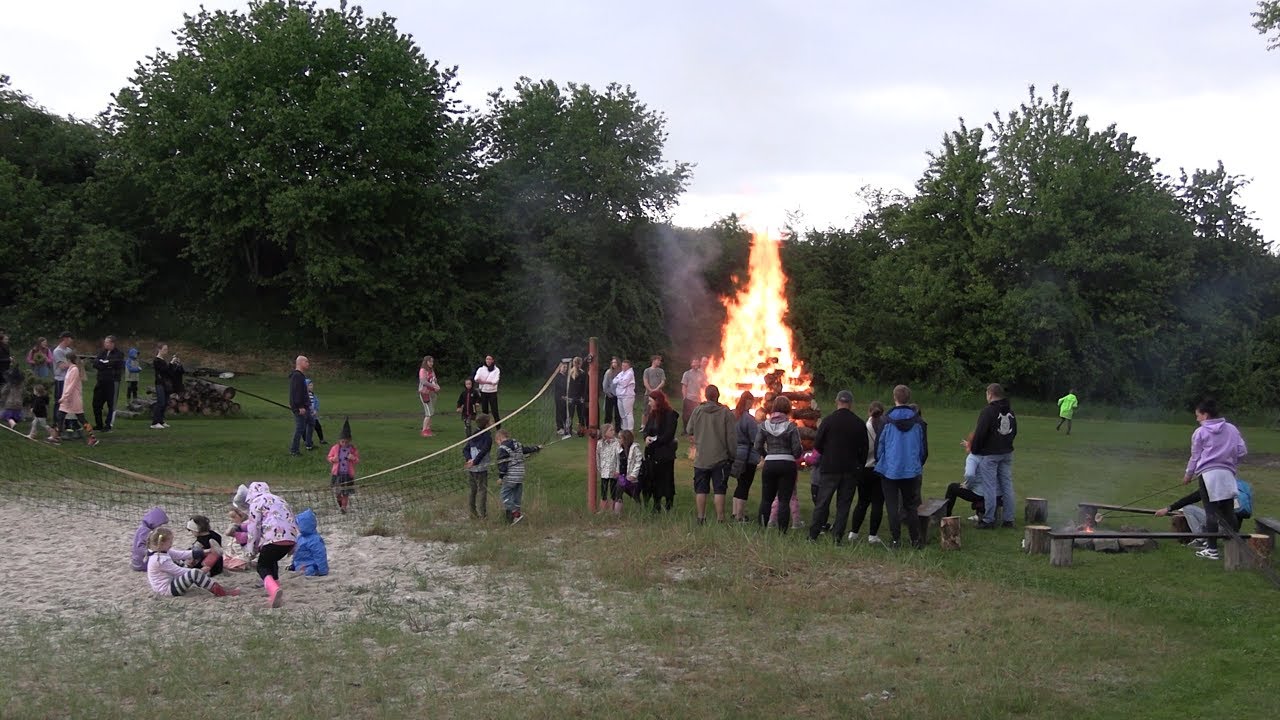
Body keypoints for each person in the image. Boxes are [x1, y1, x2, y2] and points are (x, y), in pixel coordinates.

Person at [1177, 398, 1247, 560]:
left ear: (1205, 415)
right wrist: (1231, 463)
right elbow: (1242, 451)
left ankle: (1212, 550)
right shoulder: (1232, 429)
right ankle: (1235, 547)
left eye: (1198, 415)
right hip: (1228, 473)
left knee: (1211, 512)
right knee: (1229, 512)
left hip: (1208, 475)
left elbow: (1195, 456)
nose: (1197, 418)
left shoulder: (1200, 432)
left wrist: (1188, 474)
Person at [809, 390, 868, 543]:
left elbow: (817, 444)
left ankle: (813, 534)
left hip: (830, 467)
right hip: (850, 469)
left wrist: (827, 455)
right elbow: (864, 448)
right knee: (844, 505)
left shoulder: (828, 421)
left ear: (837, 402)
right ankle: (837, 537)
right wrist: (859, 466)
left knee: (822, 502)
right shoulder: (859, 423)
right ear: (851, 404)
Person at [875, 385, 927, 548]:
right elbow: (923, 448)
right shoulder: (918, 421)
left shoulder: (885, 420)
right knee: (911, 505)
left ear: (894, 397)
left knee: (892, 506)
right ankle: (915, 539)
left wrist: (881, 461)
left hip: (890, 469)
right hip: (910, 469)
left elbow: (879, 445)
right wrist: (917, 463)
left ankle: (896, 539)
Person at [244, 481, 300, 608]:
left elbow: (254, 527)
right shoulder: (280, 499)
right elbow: (291, 518)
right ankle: (276, 587)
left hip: (273, 538)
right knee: (271, 560)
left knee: (262, 566)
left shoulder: (256, 502)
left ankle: (273, 590)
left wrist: (251, 549)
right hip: (290, 539)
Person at [970, 383, 1017, 529]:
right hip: (1007, 452)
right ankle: (1008, 519)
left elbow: (980, 433)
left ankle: (989, 519)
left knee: (989, 486)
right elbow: (1014, 431)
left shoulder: (988, 411)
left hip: (991, 454)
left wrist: (975, 449)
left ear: (990, 394)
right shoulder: (1010, 411)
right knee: (1007, 486)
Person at [687, 384, 735, 524]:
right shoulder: (725, 413)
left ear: (706, 396)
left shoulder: (698, 411)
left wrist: (697, 439)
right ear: (717, 396)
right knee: (719, 489)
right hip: (720, 457)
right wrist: (732, 454)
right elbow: (731, 437)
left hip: (701, 457)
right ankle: (720, 518)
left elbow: (689, 429)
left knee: (701, 489)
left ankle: (701, 517)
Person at [754, 396, 803, 532]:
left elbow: (757, 445)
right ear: (787, 409)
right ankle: (782, 531)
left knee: (766, 499)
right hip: (787, 464)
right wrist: (795, 455)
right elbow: (797, 450)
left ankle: (762, 528)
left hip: (770, 463)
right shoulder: (791, 427)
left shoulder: (764, 426)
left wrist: (766, 455)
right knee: (784, 500)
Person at [144, 528, 239, 598]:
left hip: (170, 582)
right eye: (170, 542)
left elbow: (181, 554)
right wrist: (200, 571)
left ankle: (210, 558)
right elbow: (178, 571)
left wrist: (206, 551)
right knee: (194, 574)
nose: (171, 544)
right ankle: (221, 592)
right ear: (161, 544)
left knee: (181, 562)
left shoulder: (161, 552)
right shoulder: (160, 560)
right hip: (168, 590)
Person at [848, 401, 886, 544]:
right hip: (879, 469)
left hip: (864, 469)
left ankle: (854, 532)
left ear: (869, 412)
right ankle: (873, 535)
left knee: (862, 502)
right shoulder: (884, 428)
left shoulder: (865, 428)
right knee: (877, 503)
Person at [641, 390, 679, 513]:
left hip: (665, 453)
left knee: (667, 479)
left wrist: (655, 440)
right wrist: (646, 437)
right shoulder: (653, 414)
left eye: (651, 401)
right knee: (654, 479)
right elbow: (647, 429)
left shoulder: (670, 415)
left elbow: (668, 435)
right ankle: (656, 504)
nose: (649, 404)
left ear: (657, 401)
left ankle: (669, 504)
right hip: (653, 453)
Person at [496, 427, 542, 524]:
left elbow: (502, 464)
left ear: (499, 438)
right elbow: (526, 449)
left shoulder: (502, 448)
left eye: (497, 442)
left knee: (505, 496)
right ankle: (516, 518)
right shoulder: (517, 444)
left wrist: (501, 477)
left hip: (510, 476)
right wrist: (536, 448)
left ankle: (515, 513)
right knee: (517, 496)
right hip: (520, 475)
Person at [51, 352, 98, 447]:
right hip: (67, 400)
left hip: (73, 400)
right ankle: (56, 436)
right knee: (60, 416)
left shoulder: (74, 370)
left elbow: (71, 386)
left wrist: (64, 397)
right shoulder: (70, 370)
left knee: (82, 419)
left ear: (68, 360)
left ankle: (92, 437)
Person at [730, 391, 761, 522]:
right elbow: (755, 439)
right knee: (745, 485)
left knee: (739, 483)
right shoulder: (749, 419)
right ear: (749, 401)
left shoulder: (732, 415)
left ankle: (734, 512)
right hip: (748, 456)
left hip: (734, 453)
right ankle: (740, 516)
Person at [463, 414, 494, 519]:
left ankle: (472, 513)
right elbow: (484, 451)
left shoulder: (474, 434)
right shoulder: (487, 437)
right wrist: (473, 461)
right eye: (490, 422)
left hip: (472, 467)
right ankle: (482, 514)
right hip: (480, 468)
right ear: (486, 424)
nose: (492, 424)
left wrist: (469, 461)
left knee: (473, 490)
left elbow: (465, 449)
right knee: (482, 490)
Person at [91, 335, 124, 432]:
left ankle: (108, 425)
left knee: (111, 404)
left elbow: (114, 364)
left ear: (112, 343)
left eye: (107, 342)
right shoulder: (102, 352)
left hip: (112, 382)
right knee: (96, 403)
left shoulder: (119, 354)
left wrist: (105, 363)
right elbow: (96, 363)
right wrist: (105, 363)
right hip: (101, 381)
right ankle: (99, 424)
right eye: (105, 342)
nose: (105, 344)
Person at [327, 418, 359, 513]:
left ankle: (344, 507)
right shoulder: (335, 448)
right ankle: (340, 503)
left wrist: (353, 458)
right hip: (337, 474)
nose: (344, 444)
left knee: (345, 492)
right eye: (342, 442)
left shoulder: (352, 449)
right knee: (337, 492)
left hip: (347, 475)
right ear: (339, 441)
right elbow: (329, 457)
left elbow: (357, 460)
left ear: (350, 440)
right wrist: (333, 459)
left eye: (346, 442)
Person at [680, 357, 707, 459]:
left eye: (697, 362)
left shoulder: (701, 374)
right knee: (686, 415)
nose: (695, 364)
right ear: (691, 364)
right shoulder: (687, 374)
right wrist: (684, 396)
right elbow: (684, 386)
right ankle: (686, 431)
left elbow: (704, 385)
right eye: (694, 362)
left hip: (698, 398)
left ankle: (694, 432)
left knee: (696, 416)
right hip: (689, 397)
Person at [288, 509, 329, 576]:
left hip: (311, 565)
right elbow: (296, 553)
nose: (297, 527)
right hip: (300, 563)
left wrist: (323, 571)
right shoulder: (300, 537)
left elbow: (320, 555)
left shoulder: (315, 540)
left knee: (309, 571)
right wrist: (293, 564)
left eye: (298, 525)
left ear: (304, 525)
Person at [131, 507, 169, 571]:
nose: (159, 527)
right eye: (159, 525)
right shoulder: (145, 531)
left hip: (136, 561)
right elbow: (140, 547)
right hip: (141, 563)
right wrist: (152, 552)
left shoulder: (143, 528)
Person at [288, 355, 312, 455]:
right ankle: (294, 450)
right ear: (301, 363)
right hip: (300, 407)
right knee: (300, 428)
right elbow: (296, 392)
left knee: (311, 422)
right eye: (306, 362)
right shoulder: (297, 376)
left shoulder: (300, 376)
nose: (308, 364)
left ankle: (309, 443)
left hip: (305, 406)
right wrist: (300, 406)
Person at [617, 429, 644, 512]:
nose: (618, 440)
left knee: (634, 493)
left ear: (625, 439)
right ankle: (617, 512)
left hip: (634, 477)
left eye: (620, 438)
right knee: (619, 490)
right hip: (623, 476)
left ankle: (639, 508)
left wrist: (633, 475)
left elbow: (638, 462)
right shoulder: (619, 449)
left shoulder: (635, 449)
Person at [150, 343, 175, 430]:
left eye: (167, 349)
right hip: (160, 383)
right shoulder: (156, 360)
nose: (166, 351)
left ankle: (161, 421)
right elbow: (164, 370)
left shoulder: (163, 361)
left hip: (166, 384)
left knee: (165, 403)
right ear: (159, 349)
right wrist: (170, 364)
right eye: (164, 349)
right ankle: (154, 422)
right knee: (160, 402)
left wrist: (172, 364)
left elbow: (169, 372)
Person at [597, 423, 621, 510]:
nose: (613, 432)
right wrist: (599, 468)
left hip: (613, 470)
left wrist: (618, 470)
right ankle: (603, 508)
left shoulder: (616, 443)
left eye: (613, 430)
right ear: (605, 432)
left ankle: (613, 508)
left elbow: (619, 457)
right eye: (611, 430)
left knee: (613, 490)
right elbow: (597, 456)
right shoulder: (599, 443)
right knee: (603, 490)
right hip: (604, 471)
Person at [474, 355, 501, 423]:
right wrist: (489, 382)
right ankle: (485, 427)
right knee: (484, 411)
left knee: (494, 411)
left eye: (490, 359)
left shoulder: (496, 370)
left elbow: (495, 382)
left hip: (492, 392)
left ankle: (498, 427)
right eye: (487, 359)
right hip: (483, 392)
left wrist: (483, 381)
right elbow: (476, 378)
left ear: (492, 360)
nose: (488, 361)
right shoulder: (481, 369)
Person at [612, 359, 637, 432]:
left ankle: (630, 430)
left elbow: (624, 383)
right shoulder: (621, 373)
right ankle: (625, 429)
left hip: (627, 396)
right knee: (622, 414)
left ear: (628, 366)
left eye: (625, 366)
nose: (623, 367)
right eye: (622, 365)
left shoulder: (630, 373)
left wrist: (619, 381)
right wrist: (620, 380)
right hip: (620, 396)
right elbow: (614, 381)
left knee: (628, 413)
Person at [418, 355, 440, 437]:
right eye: (430, 361)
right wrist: (433, 386)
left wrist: (436, 386)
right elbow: (424, 382)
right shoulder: (423, 370)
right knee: (429, 412)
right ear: (426, 362)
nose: (431, 363)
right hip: (425, 393)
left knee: (432, 411)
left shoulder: (431, 370)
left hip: (432, 393)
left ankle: (428, 428)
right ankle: (424, 430)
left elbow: (434, 380)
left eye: (432, 361)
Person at [51, 331, 73, 411]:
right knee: (59, 400)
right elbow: (62, 366)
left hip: (68, 378)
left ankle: (66, 420)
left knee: (67, 400)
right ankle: (56, 421)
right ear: (65, 339)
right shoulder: (58, 351)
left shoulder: (69, 350)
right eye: (70, 339)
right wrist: (74, 364)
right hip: (60, 379)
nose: (71, 340)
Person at [567, 356, 588, 436]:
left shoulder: (582, 374)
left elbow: (584, 387)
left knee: (578, 415)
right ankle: (571, 430)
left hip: (577, 397)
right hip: (574, 397)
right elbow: (569, 387)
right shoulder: (570, 373)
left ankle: (579, 430)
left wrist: (583, 397)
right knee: (574, 414)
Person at [553, 359, 571, 436]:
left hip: (566, 398)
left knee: (565, 413)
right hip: (559, 398)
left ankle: (565, 427)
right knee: (559, 412)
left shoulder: (566, 377)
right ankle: (559, 428)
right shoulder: (558, 377)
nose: (565, 369)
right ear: (560, 368)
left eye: (566, 367)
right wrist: (562, 396)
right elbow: (559, 388)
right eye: (564, 367)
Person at [601, 356, 620, 427]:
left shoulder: (620, 373)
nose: (614, 364)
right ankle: (606, 428)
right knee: (608, 414)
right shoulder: (608, 372)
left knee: (618, 414)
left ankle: (618, 429)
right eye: (613, 362)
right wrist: (608, 393)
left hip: (618, 395)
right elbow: (605, 385)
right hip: (610, 395)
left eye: (615, 362)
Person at [307, 378, 325, 444]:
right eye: (310, 385)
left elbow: (316, 403)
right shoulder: (304, 395)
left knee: (318, 427)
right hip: (307, 415)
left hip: (313, 415)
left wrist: (315, 410)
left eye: (312, 385)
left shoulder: (313, 395)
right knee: (306, 429)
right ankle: (307, 441)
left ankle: (321, 439)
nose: (312, 387)